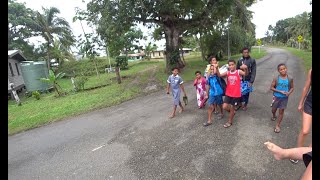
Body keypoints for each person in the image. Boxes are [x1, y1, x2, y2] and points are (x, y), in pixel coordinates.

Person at [216, 59, 248, 128]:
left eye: (232, 65)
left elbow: (246, 74)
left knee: (233, 107)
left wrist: (246, 68)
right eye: (230, 65)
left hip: (236, 94)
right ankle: (232, 113)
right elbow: (219, 75)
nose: (231, 66)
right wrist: (216, 68)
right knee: (224, 106)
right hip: (228, 93)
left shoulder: (238, 72)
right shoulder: (228, 73)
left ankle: (230, 121)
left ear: (235, 65)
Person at [291, 69, 312, 164]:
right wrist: (301, 103)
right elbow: (306, 87)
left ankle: (309, 153)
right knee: (305, 131)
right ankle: (297, 153)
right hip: (310, 103)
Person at [270, 63, 294, 133]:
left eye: (284, 68)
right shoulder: (276, 78)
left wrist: (289, 93)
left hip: (284, 98)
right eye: (281, 69)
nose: (283, 70)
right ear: (278, 71)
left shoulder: (290, 78)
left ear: (286, 69)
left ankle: (277, 125)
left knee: (281, 112)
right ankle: (274, 115)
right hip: (276, 97)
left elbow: (292, 88)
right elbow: (271, 87)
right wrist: (280, 91)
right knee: (273, 110)